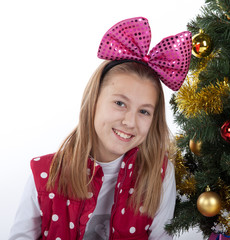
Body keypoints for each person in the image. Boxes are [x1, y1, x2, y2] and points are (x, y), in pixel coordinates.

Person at [9, 17, 192, 240]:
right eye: (120, 103)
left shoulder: (159, 174)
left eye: (144, 111)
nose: (130, 122)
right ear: (93, 100)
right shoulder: (45, 175)